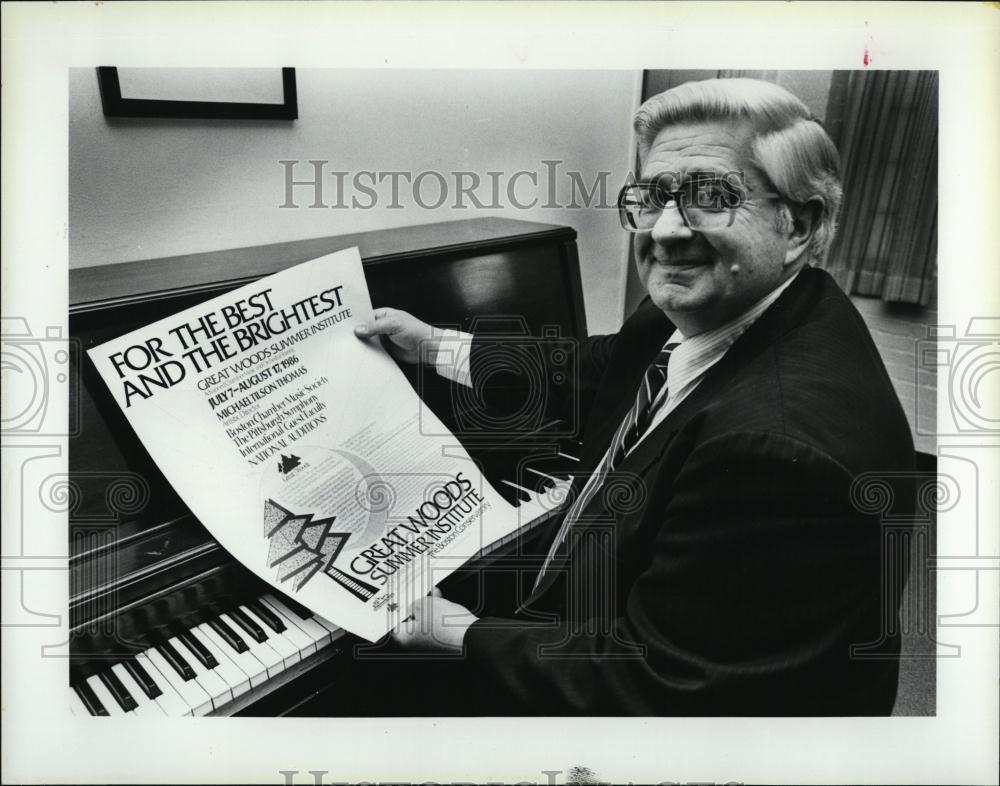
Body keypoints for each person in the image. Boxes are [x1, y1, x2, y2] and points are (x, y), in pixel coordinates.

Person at [353, 78, 916, 715]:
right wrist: (433, 345)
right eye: (651, 198)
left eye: (711, 196)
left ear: (799, 224)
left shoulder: (772, 450)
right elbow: (592, 370)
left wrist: (455, 633)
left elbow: (655, 689)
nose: (668, 231)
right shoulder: (715, 312)